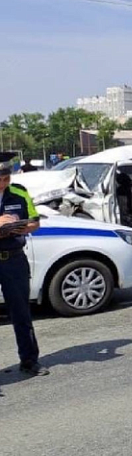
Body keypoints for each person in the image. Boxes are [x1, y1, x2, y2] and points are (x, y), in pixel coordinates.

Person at [0, 152, 47, 377]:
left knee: (21, 313)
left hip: (14, 260)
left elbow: (35, 221)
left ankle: (29, 361)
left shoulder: (19, 192)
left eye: (6, 177)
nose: (3, 182)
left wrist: (23, 226)